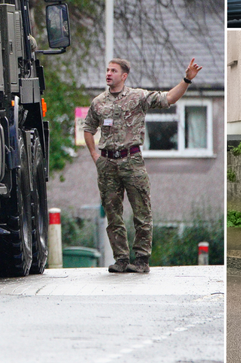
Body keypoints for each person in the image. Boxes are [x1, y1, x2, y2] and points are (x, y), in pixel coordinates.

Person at [83, 58, 202, 273]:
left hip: (132, 161)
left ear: (124, 76)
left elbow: (169, 98)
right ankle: (120, 258)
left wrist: (186, 80)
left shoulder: (137, 97)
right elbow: (88, 128)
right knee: (113, 213)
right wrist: (95, 156)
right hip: (108, 163)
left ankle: (141, 260)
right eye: (107, 70)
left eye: (113, 71)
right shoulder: (98, 102)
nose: (108, 74)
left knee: (142, 212)